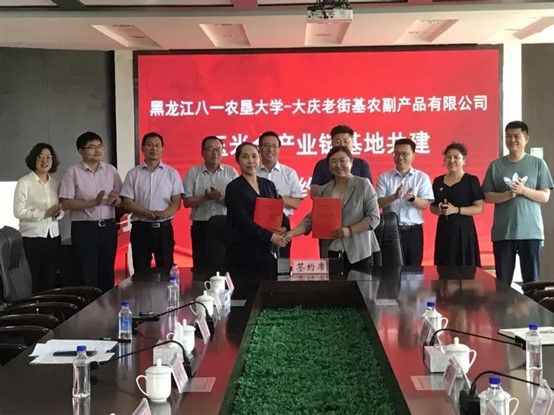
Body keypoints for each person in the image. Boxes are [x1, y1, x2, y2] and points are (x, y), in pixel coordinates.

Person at [286, 146, 380, 270]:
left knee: (360, 283)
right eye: (333, 161)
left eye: (342, 160)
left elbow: (374, 218)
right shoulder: (323, 190)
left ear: (351, 162)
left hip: (360, 252)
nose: (338, 165)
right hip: (331, 250)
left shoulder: (363, 185)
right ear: (329, 166)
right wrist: (291, 233)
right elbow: (313, 218)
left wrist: (349, 230)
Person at [482, 121, 553, 285]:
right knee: (502, 284)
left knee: (532, 283)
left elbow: (545, 196)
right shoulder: (495, 165)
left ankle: (532, 304)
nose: (512, 140)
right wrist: (509, 194)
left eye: (516, 136)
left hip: (531, 232)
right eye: (508, 136)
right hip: (503, 233)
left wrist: (523, 190)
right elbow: (487, 197)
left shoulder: (538, 164)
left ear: (526, 139)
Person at [59, 131, 123, 292]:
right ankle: (90, 305)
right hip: (85, 229)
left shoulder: (111, 170)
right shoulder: (73, 172)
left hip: (108, 227)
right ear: (81, 151)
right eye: (91, 147)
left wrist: (116, 200)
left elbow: (122, 199)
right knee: (87, 271)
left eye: (100, 146)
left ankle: (108, 303)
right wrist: (92, 203)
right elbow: (65, 202)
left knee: (107, 270)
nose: (97, 150)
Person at [121, 132, 184, 274]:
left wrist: (163, 214)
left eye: (157, 145)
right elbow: (128, 202)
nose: (154, 149)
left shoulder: (172, 173)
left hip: (164, 229)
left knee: (166, 271)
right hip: (141, 228)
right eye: (149, 145)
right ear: (142, 148)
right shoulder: (133, 174)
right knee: (141, 272)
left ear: (162, 149)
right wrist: (145, 212)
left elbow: (176, 202)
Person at [224, 142, 288, 279]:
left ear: (259, 158)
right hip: (243, 252)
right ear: (237, 160)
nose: (250, 161)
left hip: (267, 250)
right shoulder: (233, 188)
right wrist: (271, 237)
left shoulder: (268, 185)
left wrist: (283, 228)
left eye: (254, 156)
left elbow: (277, 211)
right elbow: (242, 221)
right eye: (245, 157)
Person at [183, 136, 238, 274]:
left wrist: (221, 198)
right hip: (201, 226)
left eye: (218, 149)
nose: (215, 153)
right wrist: (205, 197)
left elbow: (237, 202)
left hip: (224, 225)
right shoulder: (193, 173)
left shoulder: (231, 172)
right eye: (210, 149)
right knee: (201, 267)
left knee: (225, 265)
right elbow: (187, 202)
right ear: (202, 152)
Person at [13, 143, 64, 292]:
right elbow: (18, 211)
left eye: (49, 157)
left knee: (50, 279)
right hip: (32, 238)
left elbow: (60, 210)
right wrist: (43, 214)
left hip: (53, 236)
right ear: (33, 159)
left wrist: (58, 213)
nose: (45, 161)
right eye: (40, 157)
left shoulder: (56, 184)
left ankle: (47, 307)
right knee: (32, 280)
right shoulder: (24, 182)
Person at [376, 138, 434, 266]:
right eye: (397, 153)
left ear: (413, 156)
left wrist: (413, 199)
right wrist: (394, 196)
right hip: (389, 231)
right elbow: (378, 204)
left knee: (413, 269)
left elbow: (425, 205)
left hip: (412, 231)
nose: (400, 157)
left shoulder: (422, 177)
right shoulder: (384, 177)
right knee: (390, 269)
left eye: (404, 154)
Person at [430, 142, 484, 266]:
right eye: (448, 157)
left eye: (456, 157)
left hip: (464, 229)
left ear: (464, 160)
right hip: (444, 229)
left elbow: (479, 208)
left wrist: (456, 210)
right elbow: (432, 207)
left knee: (465, 265)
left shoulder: (471, 180)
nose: (452, 160)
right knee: (444, 265)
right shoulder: (438, 181)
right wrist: (439, 210)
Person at [257, 131, 303, 258]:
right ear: (259, 148)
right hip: (258, 227)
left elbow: (296, 203)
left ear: (279, 148)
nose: (270, 149)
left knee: (281, 263)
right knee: (258, 262)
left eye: (274, 146)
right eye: (266, 145)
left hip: (282, 227)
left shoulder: (289, 173)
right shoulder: (253, 173)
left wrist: (278, 198)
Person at [309, 124, 372, 198]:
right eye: (338, 141)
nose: (342, 145)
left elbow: (369, 192)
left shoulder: (362, 164)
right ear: (331, 143)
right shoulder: (322, 164)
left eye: (346, 141)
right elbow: (314, 192)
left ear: (352, 143)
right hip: (330, 203)